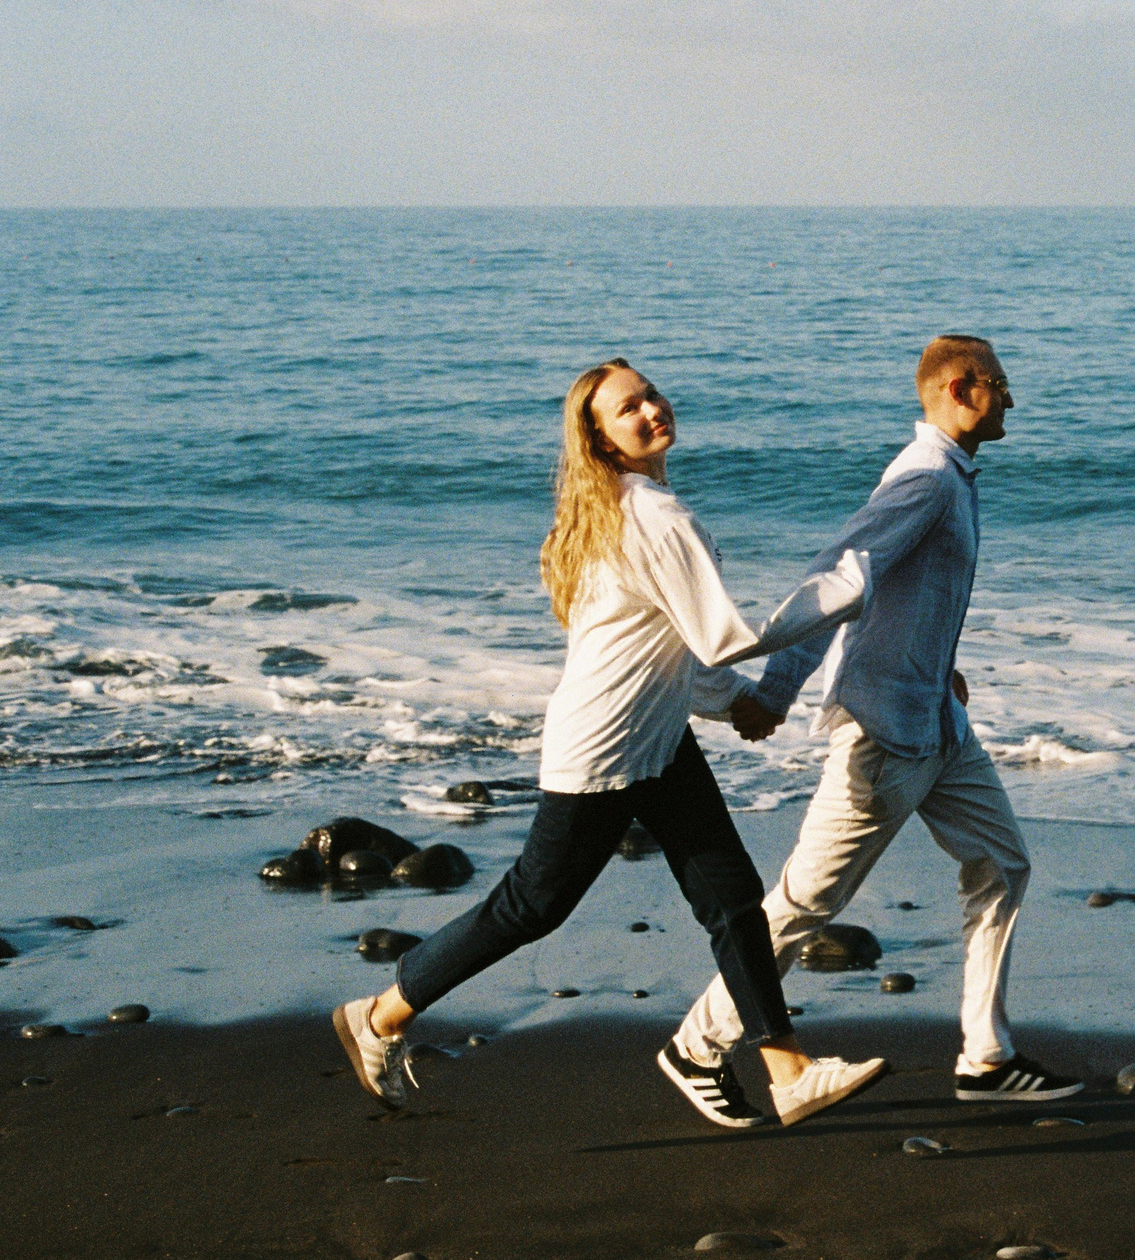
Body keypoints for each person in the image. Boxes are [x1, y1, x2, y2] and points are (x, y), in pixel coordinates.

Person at [332, 357, 884, 1131]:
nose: (651, 409)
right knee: (532, 906)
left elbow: (672, 653)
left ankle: (786, 1069)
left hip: (655, 737)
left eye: (651, 393)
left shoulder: (624, 508)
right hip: (604, 749)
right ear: (601, 441)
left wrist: (739, 709)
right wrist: (844, 589)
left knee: (729, 895)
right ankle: (380, 1015)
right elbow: (721, 639)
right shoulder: (656, 516)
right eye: (629, 408)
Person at [671, 334, 1080, 1102]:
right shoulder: (926, 479)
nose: (1012, 399)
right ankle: (698, 1046)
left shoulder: (952, 477)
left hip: (938, 725)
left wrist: (937, 660)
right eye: (1000, 383)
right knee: (807, 900)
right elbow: (841, 575)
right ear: (960, 389)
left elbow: (902, 593)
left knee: (1002, 865)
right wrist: (773, 685)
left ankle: (986, 1058)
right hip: (885, 734)